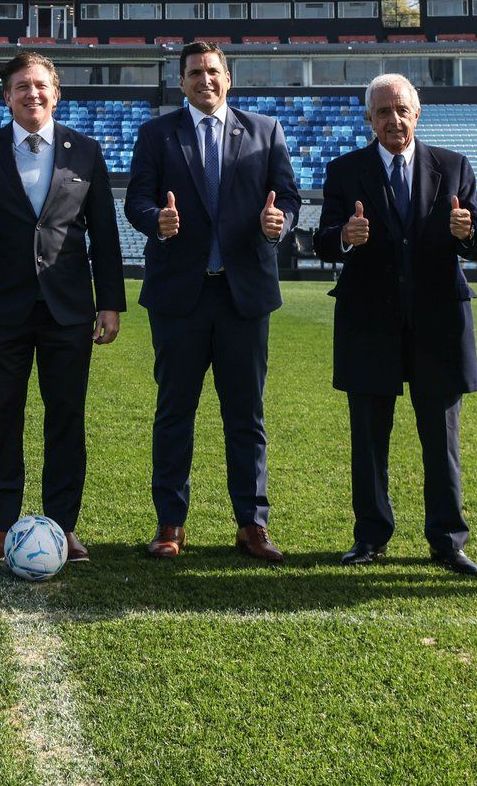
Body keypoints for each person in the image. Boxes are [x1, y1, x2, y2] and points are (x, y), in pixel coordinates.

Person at [0, 51, 125, 564]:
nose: (32, 94)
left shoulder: (84, 151)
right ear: (7, 97)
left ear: (56, 92)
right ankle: (1, 528)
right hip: (2, 309)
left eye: (41, 85)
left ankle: (63, 527)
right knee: (3, 417)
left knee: (66, 418)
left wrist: (110, 302)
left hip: (69, 309)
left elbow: (104, 237)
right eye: (21, 87)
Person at [124, 41, 301, 562]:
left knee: (246, 414)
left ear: (229, 77)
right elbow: (137, 197)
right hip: (180, 295)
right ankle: (170, 524)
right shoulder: (157, 133)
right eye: (195, 73)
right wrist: (155, 218)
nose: (205, 79)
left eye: (213, 71)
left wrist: (280, 224)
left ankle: (252, 525)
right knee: (174, 411)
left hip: (243, 294)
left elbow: (286, 196)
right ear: (181, 82)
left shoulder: (265, 130)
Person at [311, 74, 477, 576]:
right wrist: (344, 235)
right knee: (368, 440)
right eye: (383, 112)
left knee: (442, 441)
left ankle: (448, 541)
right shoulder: (345, 170)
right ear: (369, 118)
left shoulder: (453, 167)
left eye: (402, 110)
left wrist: (468, 231)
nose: (394, 120)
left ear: (418, 112)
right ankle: (370, 536)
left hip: (439, 325)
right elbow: (323, 240)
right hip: (370, 322)